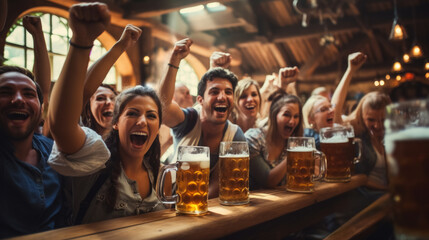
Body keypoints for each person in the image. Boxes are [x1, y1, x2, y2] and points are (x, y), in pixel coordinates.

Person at [47, 3, 164, 224]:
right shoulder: (93, 158)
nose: (142, 121)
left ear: (158, 127)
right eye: (132, 113)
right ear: (116, 123)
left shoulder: (159, 173)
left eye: (151, 116)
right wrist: (82, 43)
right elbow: (61, 124)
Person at [158, 38, 246, 199]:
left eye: (228, 92)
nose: (222, 97)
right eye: (214, 92)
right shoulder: (189, 120)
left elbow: (219, 182)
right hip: (170, 202)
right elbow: (162, 109)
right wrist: (174, 59)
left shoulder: (235, 134)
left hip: (205, 206)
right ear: (200, 100)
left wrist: (199, 206)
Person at [0, 66, 62, 238]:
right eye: (5, 92)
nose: (18, 99)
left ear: (41, 109)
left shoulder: (53, 150)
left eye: (28, 94)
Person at [81, 24, 142, 139]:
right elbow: (84, 89)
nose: (109, 102)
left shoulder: (126, 139)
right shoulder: (82, 137)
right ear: (88, 110)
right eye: (100, 98)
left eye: (113, 98)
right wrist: (121, 45)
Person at [302, 52, 367, 149]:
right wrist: (350, 70)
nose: (332, 110)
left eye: (330, 107)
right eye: (323, 109)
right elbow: (337, 105)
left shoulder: (337, 128)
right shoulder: (310, 141)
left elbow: (336, 106)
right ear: (311, 119)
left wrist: (351, 70)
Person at [245, 90, 303, 189]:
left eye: (296, 116)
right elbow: (267, 181)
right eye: (287, 115)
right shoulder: (253, 138)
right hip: (256, 202)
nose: (292, 121)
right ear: (274, 115)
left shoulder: (294, 141)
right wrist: (292, 155)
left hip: (288, 201)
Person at [343, 91, 391, 192]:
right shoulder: (357, 140)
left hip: (385, 194)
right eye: (371, 120)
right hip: (368, 196)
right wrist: (387, 189)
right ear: (361, 116)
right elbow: (360, 180)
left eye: (383, 120)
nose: (377, 125)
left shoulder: (390, 136)